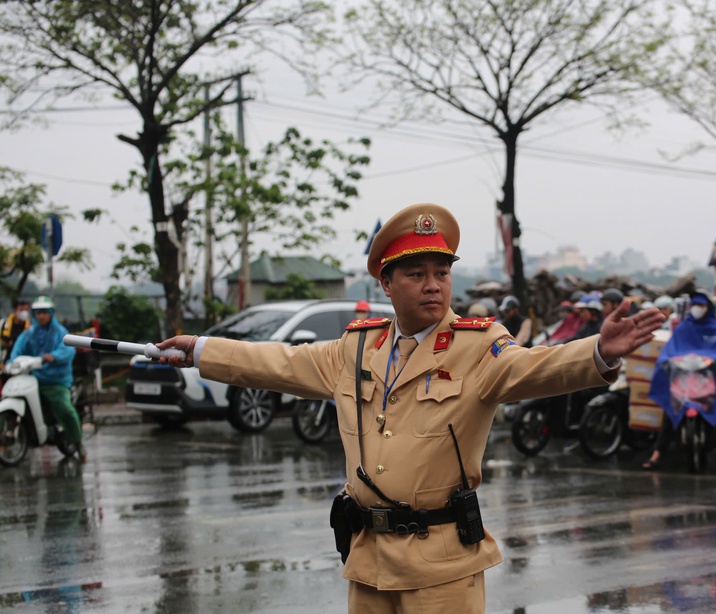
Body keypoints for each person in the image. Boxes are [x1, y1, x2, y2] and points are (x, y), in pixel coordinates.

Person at [155, 202, 665, 613]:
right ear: (386, 283)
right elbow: (279, 362)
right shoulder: (356, 348)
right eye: (417, 273)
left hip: (441, 566)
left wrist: (597, 351)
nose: (433, 284)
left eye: (441, 272)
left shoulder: (479, 344)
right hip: (368, 559)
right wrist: (202, 351)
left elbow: (531, 369)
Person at [642, 290, 716, 471]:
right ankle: (656, 454)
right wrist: (669, 362)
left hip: (709, 383)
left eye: (702, 306)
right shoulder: (683, 327)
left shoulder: (715, 329)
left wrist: (715, 361)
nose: (698, 309)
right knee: (670, 413)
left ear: (708, 308)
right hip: (683, 382)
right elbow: (670, 351)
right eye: (695, 306)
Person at [9, 296, 87, 462]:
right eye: (38, 313)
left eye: (44, 312)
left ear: (51, 313)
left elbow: (68, 350)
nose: (41, 316)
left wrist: (52, 357)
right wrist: (11, 363)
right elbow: (16, 352)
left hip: (55, 380)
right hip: (33, 379)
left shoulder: (60, 333)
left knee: (64, 409)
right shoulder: (28, 333)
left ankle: (79, 444)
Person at [1, 298, 31, 365]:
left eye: (26, 310)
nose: (24, 313)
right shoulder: (3, 324)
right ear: (14, 310)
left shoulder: (30, 328)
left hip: (21, 363)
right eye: (21, 310)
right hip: (3, 362)